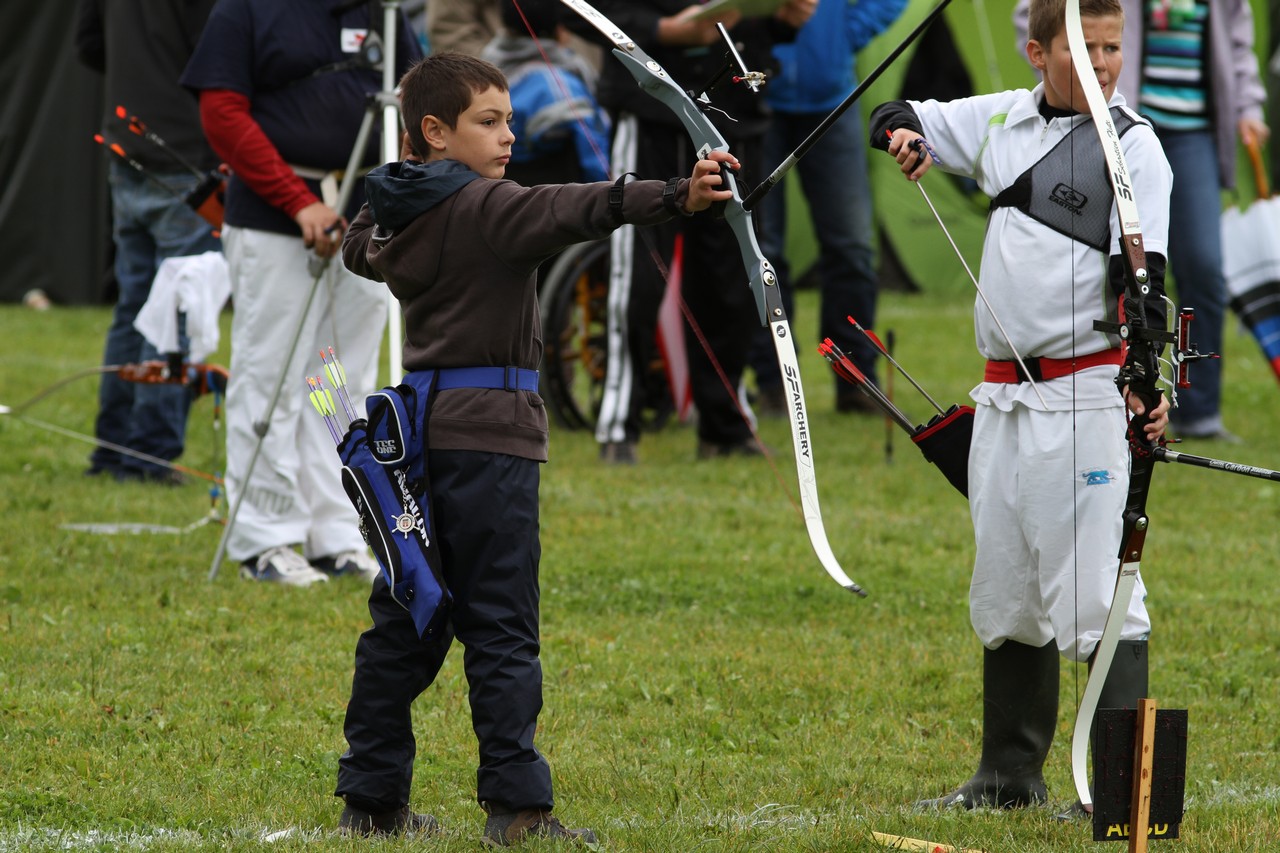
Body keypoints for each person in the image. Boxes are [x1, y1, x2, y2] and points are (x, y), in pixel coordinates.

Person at [333, 52, 737, 841]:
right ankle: (517, 808)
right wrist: (677, 194)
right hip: (490, 443)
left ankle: (371, 798)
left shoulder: (397, 216)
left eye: (510, 119)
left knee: (406, 614)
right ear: (436, 131)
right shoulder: (489, 207)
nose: (509, 135)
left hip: (418, 439)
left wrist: (405, 172)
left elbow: (357, 242)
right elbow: (577, 206)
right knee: (502, 623)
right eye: (490, 121)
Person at [869, 0, 1173, 809]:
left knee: (1094, 599)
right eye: (1084, 48)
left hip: (1082, 397)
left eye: (1112, 47)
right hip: (1003, 400)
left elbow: (1143, 285)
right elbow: (898, 111)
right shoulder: (1002, 118)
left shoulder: (1135, 146)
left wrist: (1149, 383)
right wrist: (902, 136)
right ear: (1038, 53)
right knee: (1004, 592)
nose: (1104, 64)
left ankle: (1120, 792)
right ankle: (1006, 777)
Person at [180, 0, 422, 586]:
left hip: (371, 214)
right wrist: (297, 200)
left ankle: (337, 533)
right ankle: (264, 538)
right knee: (270, 378)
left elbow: (424, 110)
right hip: (272, 217)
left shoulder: (388, 15)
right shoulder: (248, 9)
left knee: (342, 381)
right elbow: (222, 114)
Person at [1016, 0, 1270, 441]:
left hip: (1194, 132)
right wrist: (1065, 78)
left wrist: (1248, 106)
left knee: (1204, 268)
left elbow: (1238, 41)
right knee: (1124, 268)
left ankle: (1199, 411)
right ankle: (1118, 399)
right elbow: (1038, 13)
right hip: (1115, 123)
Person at [584, 0, 817, 464]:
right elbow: (581, 12)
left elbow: (757, 25)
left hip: (735, 118)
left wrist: (781, 20)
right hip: (652, 115)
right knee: (639, 279)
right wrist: (661, 27)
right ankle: (619, 426)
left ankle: (726, 425)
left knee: (734, 278)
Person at [75, 0, 223, 485]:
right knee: (176, 306)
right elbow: (219, 55)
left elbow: (91, 45)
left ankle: (117, 451)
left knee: (137, 303)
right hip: (181, 150)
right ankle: (147, 457)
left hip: (133, 141)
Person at [749, 0, 907, 416]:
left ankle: (855, 379)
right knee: (762, 251)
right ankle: (775, 383)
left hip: (831, 102)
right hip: (753, 98)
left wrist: (844, 37)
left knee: (852, 246)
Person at [480, 0, 611, 185]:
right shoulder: (560, 86)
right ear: (558, 28)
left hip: (501, 190)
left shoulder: (485, 67)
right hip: (560, 195)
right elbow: (593, 154)